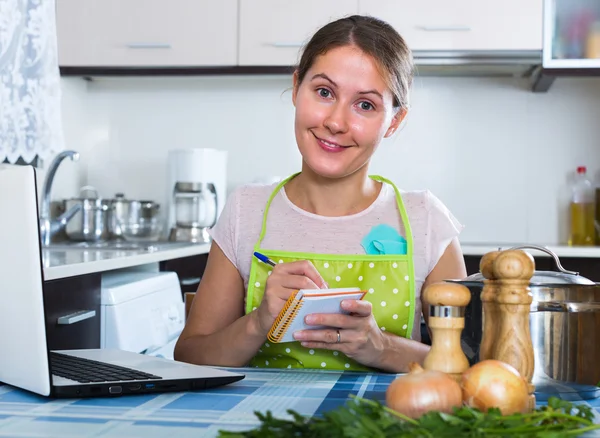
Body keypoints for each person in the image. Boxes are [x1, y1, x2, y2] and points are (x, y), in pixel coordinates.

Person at [174, 15, 467, 373]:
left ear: (394, 121)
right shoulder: (245, 210)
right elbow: (190, 355)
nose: (336, 122)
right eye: (324, 92)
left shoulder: (425, 220)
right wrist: (258, 322)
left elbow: (466, 365)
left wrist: (380, 347)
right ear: (297, 87)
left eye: (365, 105)